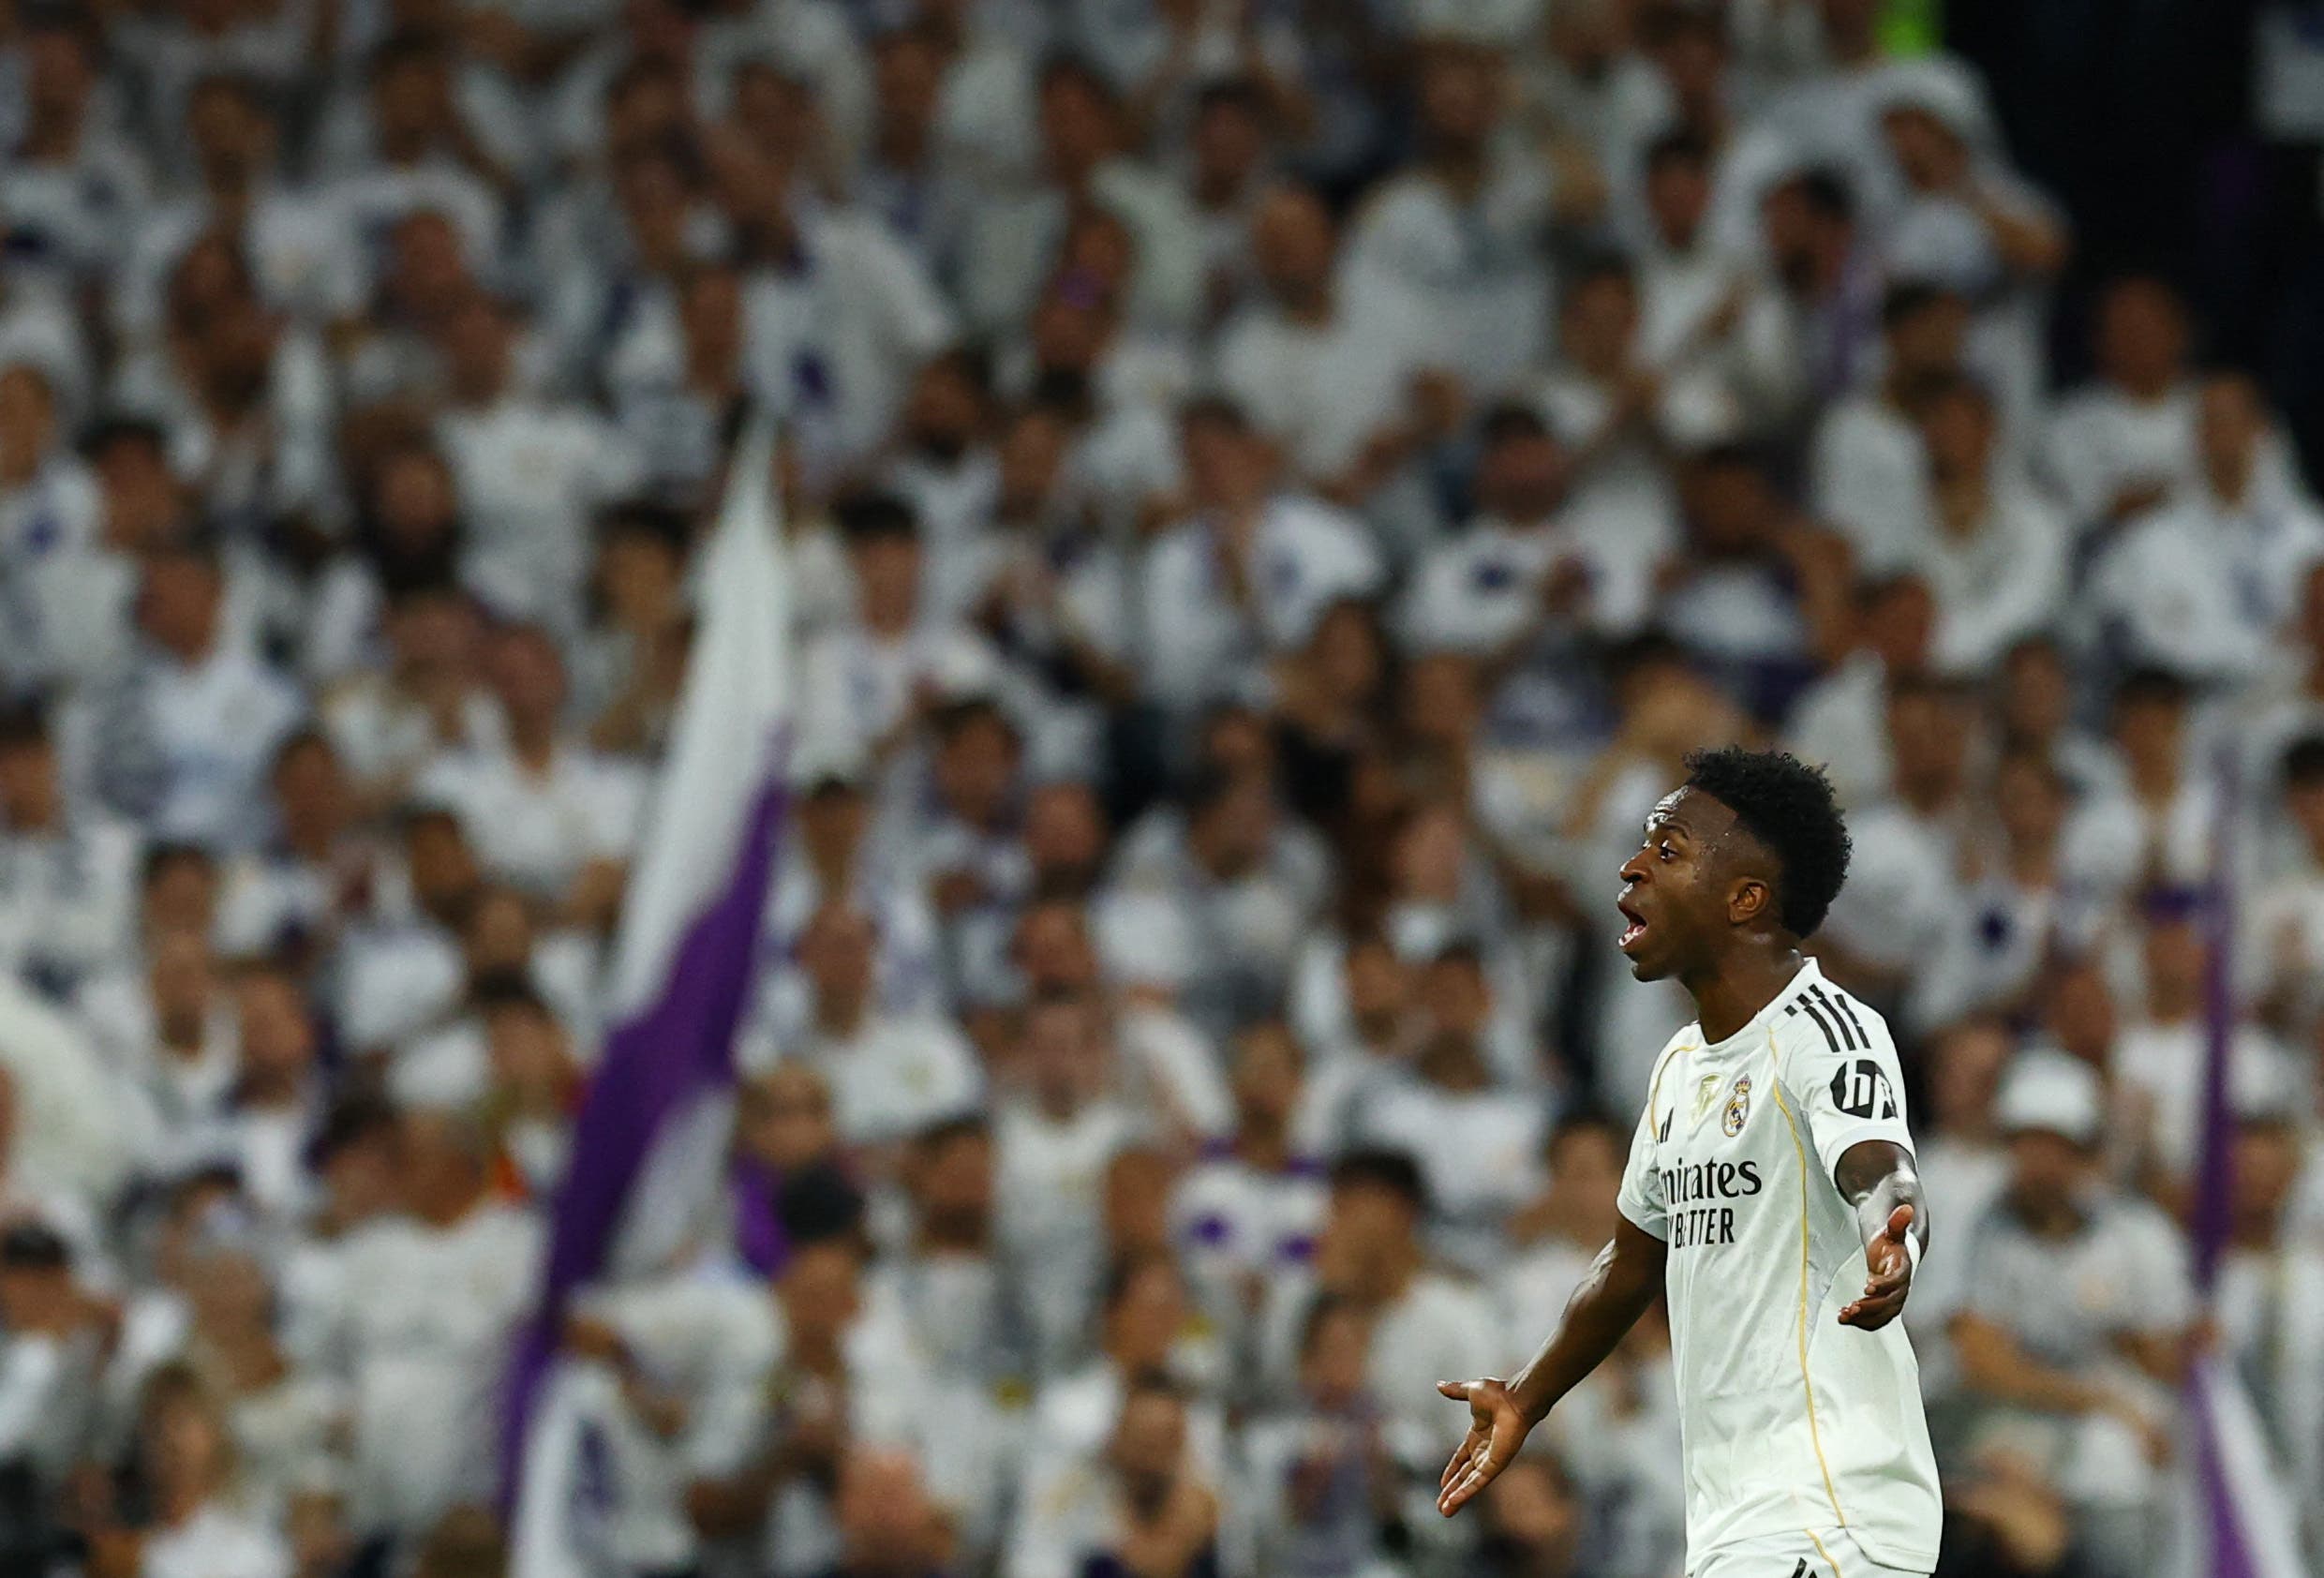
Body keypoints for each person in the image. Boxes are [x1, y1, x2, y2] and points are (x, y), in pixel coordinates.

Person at [1434, 746, 1942, 1578]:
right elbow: (1631, 1263)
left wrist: (1894, 1236)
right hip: (1736, 1518)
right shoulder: (1679, 1068)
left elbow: (1877, 1162)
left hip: (1829, 1506)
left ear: (1747, 899)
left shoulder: (1825, 1031)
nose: (1632, 866)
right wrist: (1528, 1395)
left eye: (1668, 851)